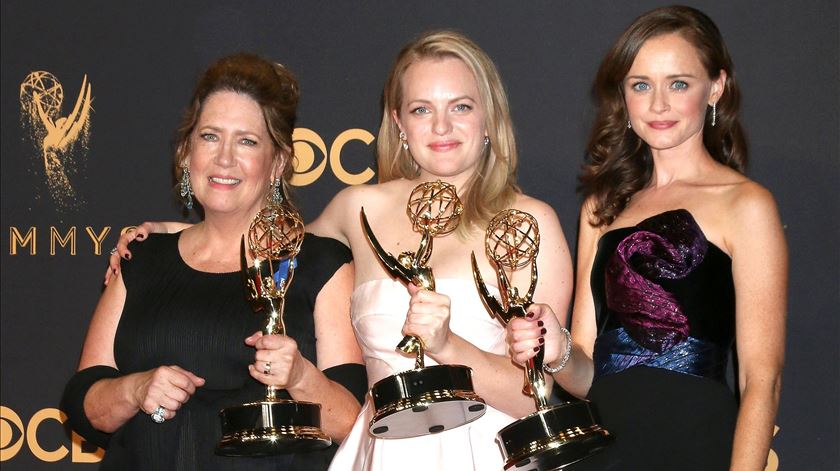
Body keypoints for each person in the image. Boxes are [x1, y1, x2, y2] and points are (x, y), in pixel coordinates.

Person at [107, 31, 574, 470]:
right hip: (382, 455)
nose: (442, 126)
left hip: (489, 453)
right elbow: (270, 244)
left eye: (461, 106)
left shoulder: (531, 223)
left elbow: (538, 396)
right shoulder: (358, 209)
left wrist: (449, 346)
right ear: (398, 122)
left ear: (489, 115)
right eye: (421, 110)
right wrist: (173, 231)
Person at [507, 6, 787, 471]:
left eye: (678, 83)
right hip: (605, 447)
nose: (658, 104)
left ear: (715, 87)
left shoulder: (746, 205)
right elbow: (586, 375)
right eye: (641, 85)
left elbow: (763, 379)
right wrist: (554, 351)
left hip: (695, 442)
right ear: (623, 95)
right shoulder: (600, 207)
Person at [64, 53, 366, 471]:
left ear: (277, 163)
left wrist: (300, 378)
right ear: (187, 152)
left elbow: (354, 423)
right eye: (210, 136)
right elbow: (84, 404)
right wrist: (134, 390)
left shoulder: (320, 263)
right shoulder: (142, 257)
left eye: (247, 141)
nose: (225, 158)